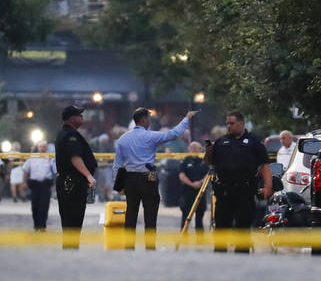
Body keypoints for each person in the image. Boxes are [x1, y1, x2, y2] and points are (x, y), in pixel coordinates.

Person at [112, 107, 197, 249]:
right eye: (149, 118)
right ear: (144, 119)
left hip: (130, 180)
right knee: (150, 215)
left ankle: (128, 248)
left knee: (131, 214)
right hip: (148, 179)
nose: (150, 121)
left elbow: (117, 164)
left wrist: (118, 186)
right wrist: (186, 118)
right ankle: (150, 247)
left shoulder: (123, 139)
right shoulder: (150, 136)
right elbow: (173, 134)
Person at [204, 111, 271, 252]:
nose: (229, 126)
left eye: (232, 123)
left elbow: (265, 165)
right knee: (221, 229)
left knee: (243, 230)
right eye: (227, 123)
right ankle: (219, 256)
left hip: (244, 193)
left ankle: (242, 260)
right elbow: (208, 162)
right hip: (224, 193)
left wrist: (268, 187)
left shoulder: (253, 142)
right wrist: (209, 150)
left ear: (241, 123)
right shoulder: (221, 142)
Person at [54, 105, 98, 242]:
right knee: (73, 220)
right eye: (79, 115)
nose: (82, 117)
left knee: (71, 222)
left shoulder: (67, 133)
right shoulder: (70, 135)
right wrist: (88, 175)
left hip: (70, 182)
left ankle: (71, 249)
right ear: (72, 119)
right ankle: (70, 250)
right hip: (72, 183)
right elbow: (75, 158)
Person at [22, 141, 57, 231]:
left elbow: (55, 171)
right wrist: (24, 182)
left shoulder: (50, 158)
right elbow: (25, 170)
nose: (42, 148)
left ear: (47, 148)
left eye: (44, 147)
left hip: (45, 185)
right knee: (35, 206)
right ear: (38, 148)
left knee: (44, 206)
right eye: (41, 146)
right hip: (35, 185)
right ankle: (36, 225)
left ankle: (42, 226)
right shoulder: (32, 157)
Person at [178, 141, 209, 234]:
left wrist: (200, 182)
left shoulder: (204, 160)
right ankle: (184, 234)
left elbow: (209, 174)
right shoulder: (185, 160)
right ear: (193, 149)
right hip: (187, 192)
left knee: (200, 215)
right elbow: (181, 175)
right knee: (186, 215)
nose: (201, 150)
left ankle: (200, 236)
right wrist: (192, 184)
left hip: (201, 191)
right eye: (199, 149)